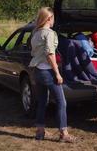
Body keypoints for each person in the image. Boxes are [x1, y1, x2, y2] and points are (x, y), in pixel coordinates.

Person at [29, 7, 76, 143]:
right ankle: (63, 133)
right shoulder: (49, 33)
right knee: (61, 102)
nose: (54, 20)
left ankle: (40, 132)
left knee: (42, 102)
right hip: (47, 72)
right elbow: (50, 54)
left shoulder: (35, 33)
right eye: (53, 18)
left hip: (37, 71)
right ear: (49, 18)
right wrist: (57, 73)